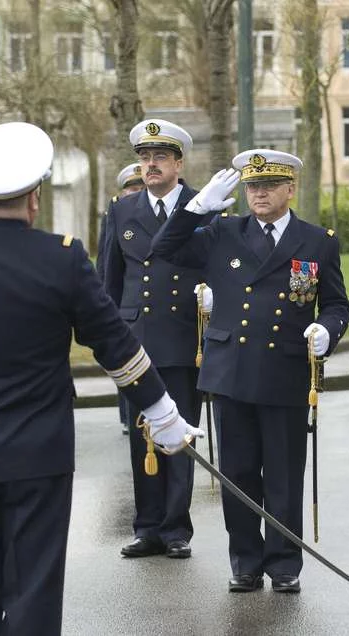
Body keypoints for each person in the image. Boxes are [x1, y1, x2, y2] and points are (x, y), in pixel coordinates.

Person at [0, 121, 201, 635]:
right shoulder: (61, 256)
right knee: (34, 588)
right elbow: (114, 344)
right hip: (41, 453)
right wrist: (162, 411)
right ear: (34, 197)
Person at [153, 149, 349, 594]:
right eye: (251, 187)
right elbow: (163, 249)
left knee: (283, 474)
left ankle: (284, 563)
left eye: (268, 186)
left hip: (284, 370)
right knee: (238, 474)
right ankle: (245, 560)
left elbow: (338, 302)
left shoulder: (317, 240)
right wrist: (197, 207)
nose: (258, 194)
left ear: (289, 189)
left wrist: (328, 329)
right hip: (231, 371)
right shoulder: (223, 231)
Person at [103, 120, 206, 560]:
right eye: (144, 158)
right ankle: (147, 526)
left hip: (184, 337)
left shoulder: (203, 205)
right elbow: (109, 278)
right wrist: (110, 336)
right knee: (141, 435)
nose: (150, 165)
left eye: (160, 157)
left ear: (178, 163)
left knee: (178, 435)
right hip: (137, 340)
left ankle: (176, 528)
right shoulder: (122, 210)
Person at [97, 162, 147, 436]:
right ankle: (128, 416)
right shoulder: (116, 211)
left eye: (140, 187)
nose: (135, 192)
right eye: (132, 188)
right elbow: (107, 258)